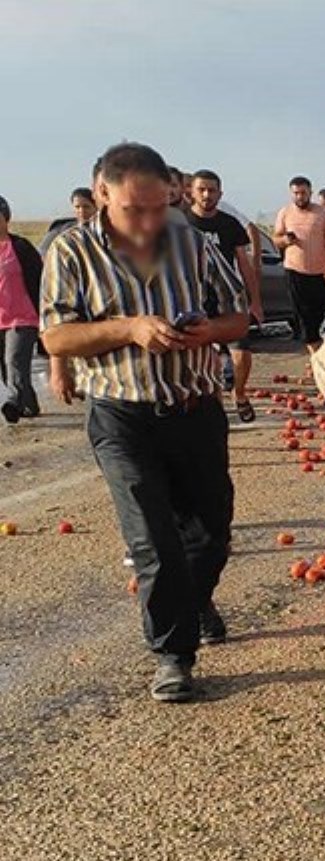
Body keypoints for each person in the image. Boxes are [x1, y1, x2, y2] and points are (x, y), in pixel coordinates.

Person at [39, 142, 250, 702]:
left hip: (194, 408)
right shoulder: (71, 252)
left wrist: (210, 331)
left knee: (212, 533)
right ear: (104, 194)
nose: (151, 220)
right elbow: (57, 336)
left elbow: (237, 314)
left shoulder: (193, 244)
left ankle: (193, 597)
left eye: (161, 206)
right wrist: (129, 328)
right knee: (154, 541)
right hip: (122, 416)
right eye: (137, 209)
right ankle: (174, 656)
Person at [187, 170, 263, 422]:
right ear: (192, 192)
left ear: (220, 193)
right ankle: (216, 410)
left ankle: (239, 394)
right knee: (206, 361)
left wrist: (255, 301)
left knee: (242, 355)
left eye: (212, 190)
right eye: (202, 190)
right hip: (194, 301)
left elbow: (244, 263)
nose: (207, 195)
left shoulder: (229, 224)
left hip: (229, 299)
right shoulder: (181, 224)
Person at [274, 176, 325, 352]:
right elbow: (276, 239)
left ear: (310, 192)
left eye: (303, 193)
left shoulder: (322, 213)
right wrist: (286, 240)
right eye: (296, 193)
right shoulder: (285, 213)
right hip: (295, 272)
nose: (300, 197)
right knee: (305, 318)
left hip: (320, 274)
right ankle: (314, 359)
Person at [0, 195, 43, 422]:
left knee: (14, 361)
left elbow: (41, 280)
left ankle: (12, 403)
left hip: (22, 318)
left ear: (6, 218)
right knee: (8, 369)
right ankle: (29, 404)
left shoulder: (20, 247)